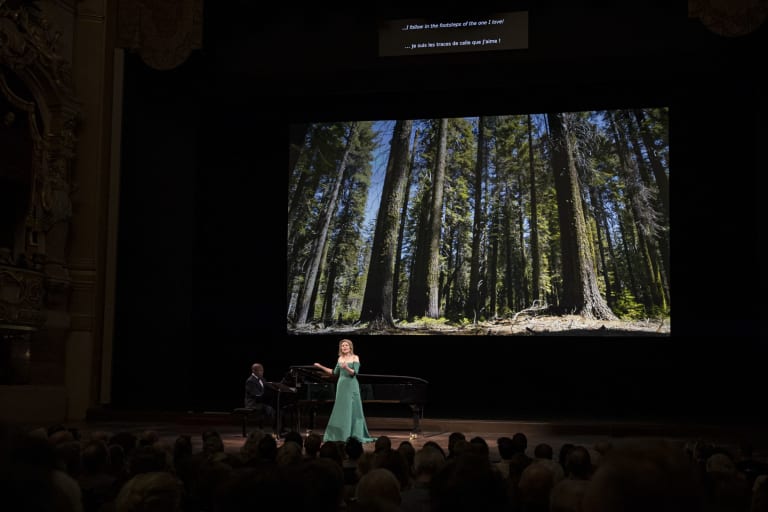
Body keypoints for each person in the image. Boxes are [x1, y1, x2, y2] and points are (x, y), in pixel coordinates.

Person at [314, 339, 376, 443]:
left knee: (353, 409)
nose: (344, 347)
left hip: (351, 386)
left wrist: (346, 367)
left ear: (350, 347)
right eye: (342, 346)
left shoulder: (355, 357)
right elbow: (334, 372)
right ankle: (340, 434)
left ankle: (353, 434)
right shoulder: (340, 358)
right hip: (341, 386)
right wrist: (320, 366)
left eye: (346, 345)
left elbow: (354, 373)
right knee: (341, 409)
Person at [244, 363, 276, 431]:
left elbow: (267, 389)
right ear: (254, 371)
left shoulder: (262, 379)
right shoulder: (250, 381)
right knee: (270, 408)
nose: (262, 372)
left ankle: (280, 429)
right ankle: (275, 430)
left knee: (277, 407)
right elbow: (256, 394)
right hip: (253, 403)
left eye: (262, 370)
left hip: (261, 402)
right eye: (260, 370)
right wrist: (266, 397)